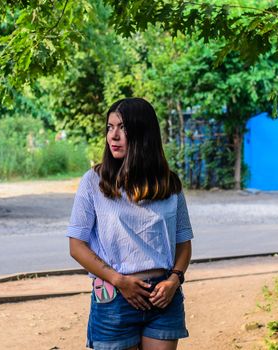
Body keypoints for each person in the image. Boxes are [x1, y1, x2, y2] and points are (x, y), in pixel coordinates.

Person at [67, 97, 193, 350]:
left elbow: (183, 242)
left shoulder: (169, 184)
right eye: (109, 127)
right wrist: (119, 280)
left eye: (122, 128)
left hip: (163, 298)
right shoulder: (94, 181)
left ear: (143, 133)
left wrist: (175, 280)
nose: (113, 136)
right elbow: (76, 245)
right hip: (114, 296)